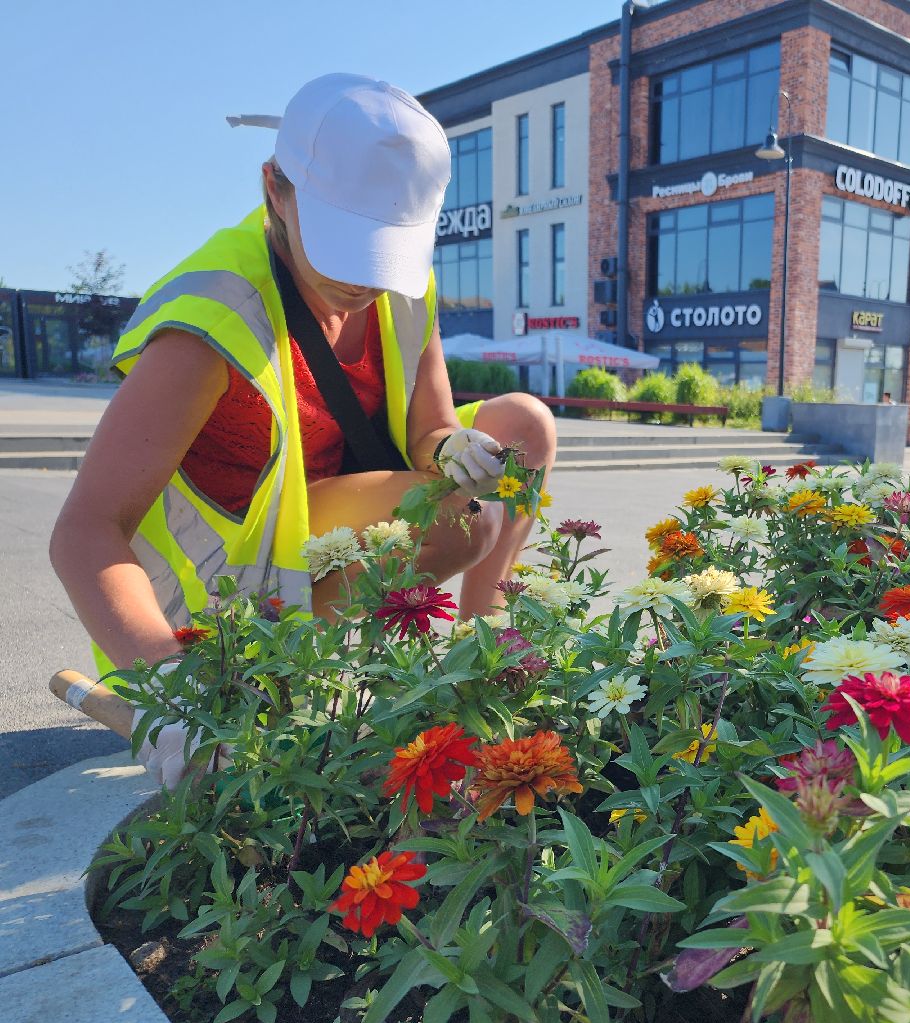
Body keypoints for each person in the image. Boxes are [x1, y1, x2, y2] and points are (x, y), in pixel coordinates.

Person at [50, 74, 556, 785]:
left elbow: (429, 428)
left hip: (325, 520)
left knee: (524, 425)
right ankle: (256, 683)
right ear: (273, 190)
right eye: (343, 245)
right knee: (462, 522)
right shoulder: (214, 320)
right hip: (215, 596)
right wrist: (166, 680)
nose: (364, 281)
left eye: (385, 253)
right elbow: (86, 528)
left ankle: (481, 660)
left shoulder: (403, 291)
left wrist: (451, 447)